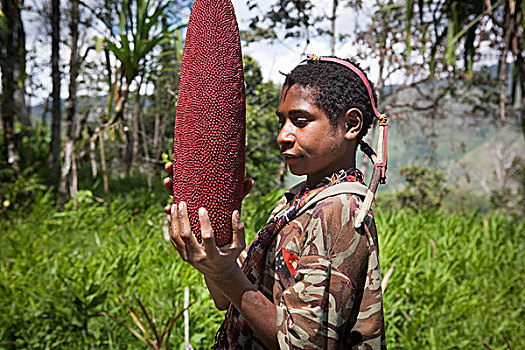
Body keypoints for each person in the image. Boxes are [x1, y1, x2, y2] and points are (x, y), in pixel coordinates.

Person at [163, 56, 386, 349]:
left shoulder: (339, 211)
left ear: (351, 124)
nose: (283, 136)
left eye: (301, 121)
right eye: (282, 122)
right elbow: (225, 298)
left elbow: (303, 346)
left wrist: (226, 274)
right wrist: (214, 231)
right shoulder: (297, 203)